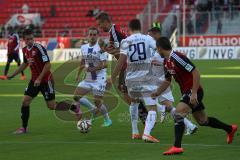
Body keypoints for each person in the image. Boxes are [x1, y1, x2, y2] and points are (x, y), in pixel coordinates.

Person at [151, 37, 238, 155]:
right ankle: (230, 129)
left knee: (178, 113)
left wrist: (194, 93)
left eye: (157, 49)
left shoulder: (177, 57)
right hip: (188, 92)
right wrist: (157, 92)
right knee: (203, 121)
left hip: (193, 91)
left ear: (160, 48)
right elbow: (167, 80)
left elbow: (195, 72)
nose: (157, 51)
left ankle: (177, 147)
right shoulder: (166, 62)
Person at [7, 28, 80, 134]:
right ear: (24, 40)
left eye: (31, 39)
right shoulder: (24, 50)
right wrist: (13, 74)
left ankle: (74, 107)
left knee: (52, 106)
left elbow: (48, 64)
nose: (30, 41)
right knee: (25, 101)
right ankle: (24, 128)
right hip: (34, 81)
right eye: (27, 39)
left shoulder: (39, 48)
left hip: (46, 80)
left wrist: (40, 78)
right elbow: (25, 64)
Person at [96, 12, 148, 134]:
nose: (100, 27)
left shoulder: (114, 32)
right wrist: (107, 49)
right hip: (130, 64)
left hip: (127, 65)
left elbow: (120, 53)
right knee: (125, 91)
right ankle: (144, 113)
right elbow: (118, 50)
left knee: (127, 94)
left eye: (100, 24)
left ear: (105, 22)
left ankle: (145, 114)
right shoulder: (116, 29)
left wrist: (105, 50)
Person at [110, 19, 161, 143]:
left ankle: (135, 132)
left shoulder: (125, 41)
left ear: (129, 29)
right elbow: (158, 50)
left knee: (134, 102)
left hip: (131, 79)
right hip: (145, 78)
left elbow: (121, 61)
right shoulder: (148, 39)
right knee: (152, 108)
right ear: (140, 27)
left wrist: (112, 78)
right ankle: (147, 134)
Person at [148, 27, 198, 135]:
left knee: (169, 108)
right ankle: (190, 125)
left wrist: (157, 63)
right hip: (160, 81)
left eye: (150, 34)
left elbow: (168, 61)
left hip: (160, 81)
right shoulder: (156, 49)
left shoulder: (163, 51)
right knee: (171, 108)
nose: (148, 37)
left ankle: (162, 112)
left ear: (156, 34)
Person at [73, 27, 112, 127]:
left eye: (94, 34)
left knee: (98, 101)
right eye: (91, 34)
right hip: (88, 78)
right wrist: (78, 74)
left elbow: (105, 64)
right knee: (76, 96)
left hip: (99, 79)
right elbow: (83, 61)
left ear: (97, 36)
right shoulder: (84, 47)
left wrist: (93, 69)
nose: (92, 36)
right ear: (88, 35)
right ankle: (92, 108)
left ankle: (107, 120)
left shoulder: (100, 48)